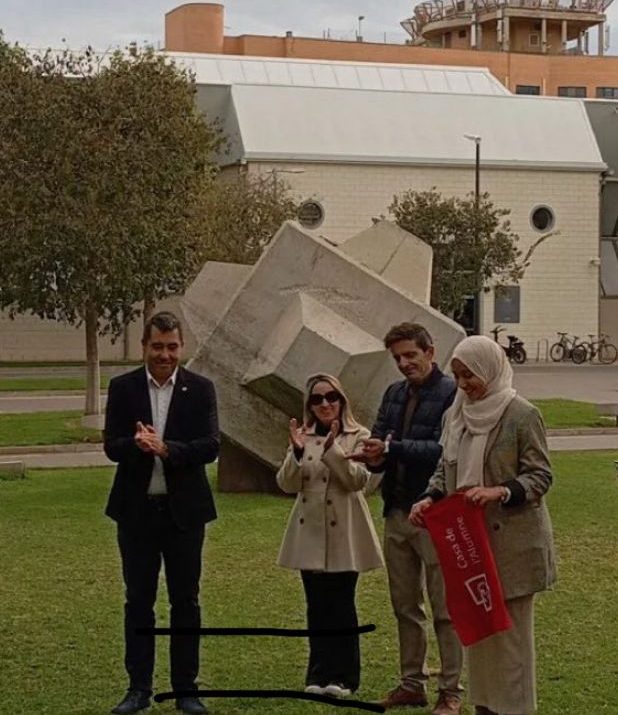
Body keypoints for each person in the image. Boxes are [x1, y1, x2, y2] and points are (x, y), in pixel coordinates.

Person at [410, 335, 556, 715]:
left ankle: (515, 708)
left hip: (513, 546)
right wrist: (429, 497)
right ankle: (485, 706)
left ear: (490, 368)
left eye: (470, 376)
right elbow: (446, 469)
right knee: (478, 634)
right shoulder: (455, 413)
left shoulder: (522, 414)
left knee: (510, 639)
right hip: (470, 548)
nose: (463, 385)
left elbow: (540, 476)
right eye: (457, 376)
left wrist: (499, 493)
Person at [104, 311, 219, 715]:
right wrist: (136, 445)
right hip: (136, 514)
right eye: (157, 346)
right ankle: (138, 689)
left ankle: (186, 689)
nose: (165, 354)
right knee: (138, 601)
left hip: (184, 515)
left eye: (172, 346)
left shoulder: (201, 389)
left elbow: (210, 446)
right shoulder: (123, 388)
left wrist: (167, 449)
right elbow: (110, 446)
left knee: (185, 601)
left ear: (181, 347)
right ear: (144, 347)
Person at [351, 322, 463, 715]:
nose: (404, 364)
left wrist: (391, 448)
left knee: (445, 608)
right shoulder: (394, 393)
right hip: (396, 510)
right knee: (404, 606)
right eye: (397, 357)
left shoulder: (452, 393)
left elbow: (442, 451)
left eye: (411, 355)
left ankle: (451, 691)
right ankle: (411, 684)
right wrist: (372, 453)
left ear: (430, 352)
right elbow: (381, 437)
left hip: (435, 512)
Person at [276, 373, 384, 698]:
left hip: (344, 531)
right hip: (310, 530)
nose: (325, 404)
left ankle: (344, 677)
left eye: (331, 397)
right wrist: (296, 454)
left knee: (341, 604)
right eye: (317, 399)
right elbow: (287, 484)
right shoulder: (302, 435)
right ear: (309, 405)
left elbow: (358, 481)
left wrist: (333, 448)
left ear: (341, 400)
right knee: (316, 606)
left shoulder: (358, 434)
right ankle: (318, 673)